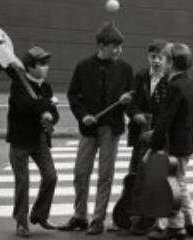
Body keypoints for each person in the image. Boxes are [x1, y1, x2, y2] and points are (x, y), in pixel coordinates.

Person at [57, 22, 134, 235]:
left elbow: (131, 98)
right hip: (88, 129)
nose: (119, 50)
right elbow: (73, 95)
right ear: (101, 45)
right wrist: (83, 116)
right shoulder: (83, 66)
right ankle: (80, 216)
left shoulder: (125, 69)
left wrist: (128, 102)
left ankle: (97, 220)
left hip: (111, 129)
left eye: (120, 46)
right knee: (80, 173)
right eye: (114, 47)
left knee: (105, 176)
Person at [144, 43, 193, 240]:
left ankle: (176, 228)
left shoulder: (174, 87)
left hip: (173, 145)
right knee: (180, 182)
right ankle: (189, 220)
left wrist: (152, 148)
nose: (162, 62)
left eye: (165, 59)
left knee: (170, 187)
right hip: (187, 144)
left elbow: (164, 122)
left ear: (171, 63)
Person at [5, 46, 59, 237]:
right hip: (20, 141)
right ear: (29, 67)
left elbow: (55, 114)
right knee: (23, 182)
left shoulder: (46, 87)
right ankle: (21, 223)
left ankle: (39, 215)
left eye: (47, 64)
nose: (46, 67)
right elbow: (26, 106)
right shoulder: (18, 84)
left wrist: (51, 115)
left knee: (51, 176)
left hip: (39, 140)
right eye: (42, 64)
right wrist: (47, 105)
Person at [124, 39, 169, 235]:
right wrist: (135, 114)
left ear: (167, 59)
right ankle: (134, 215)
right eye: (153, 57)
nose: (156, 61)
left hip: (159, 138)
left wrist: (158, 129)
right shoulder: (140, 76)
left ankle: (156, 220)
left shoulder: (170, 80)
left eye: (160, 57)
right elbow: (130, 102)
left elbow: (170, 111)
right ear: (147, 57)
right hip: (139, 135)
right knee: (135, 174)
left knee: (157, 177)